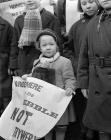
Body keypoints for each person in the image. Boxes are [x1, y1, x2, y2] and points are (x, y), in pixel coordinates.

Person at [22, 28, 77, 140]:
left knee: (60, 126)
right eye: (44, 45)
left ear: (56, 45)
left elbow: (70, 79)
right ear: (39, 47)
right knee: (46, 126)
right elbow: (34, 78)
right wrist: (28, 77)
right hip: (44, 102)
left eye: (51, 44)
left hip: (58, 101)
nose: (48, 47)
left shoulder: (64, 62)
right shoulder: (37, 63)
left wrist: (70, 87)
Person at [63, 0, 99, 139]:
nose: (88, 6)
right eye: (84, 3)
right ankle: (85, 132)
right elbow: (67, 48)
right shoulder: (77, 26)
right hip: (83, 73)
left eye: (91, 2)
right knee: (83, 105)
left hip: (101, 73)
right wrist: (76, 62)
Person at [77, 0, 111, 139]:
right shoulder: (94, 22)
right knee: (102, 127)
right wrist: (83, 81)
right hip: (97, 80)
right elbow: (84, 54)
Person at [9, 0, 62, 77]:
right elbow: (14, 44)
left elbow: (58, 44)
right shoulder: (19, 19)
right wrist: (13, 65)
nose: (29, 1)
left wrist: (56, 64)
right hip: (23, 65)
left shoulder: (51, 18)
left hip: (44, 64)